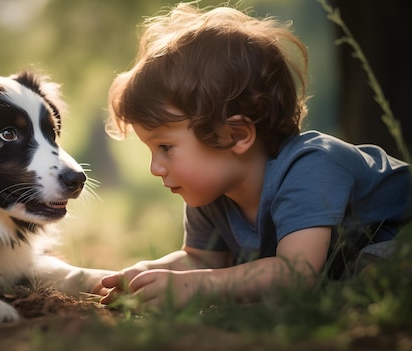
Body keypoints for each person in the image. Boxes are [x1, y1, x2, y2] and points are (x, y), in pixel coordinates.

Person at [99, 3, 411, 310]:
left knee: (379, 267)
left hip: (401, 237)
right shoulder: (210, 193)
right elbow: (202, 259)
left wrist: (201, 286)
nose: (155, 167)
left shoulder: (311, 166)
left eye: (165, 147)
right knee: (349, 283)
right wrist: (151, 274)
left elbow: (296, 273)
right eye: (151, 149)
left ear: (236, 135)